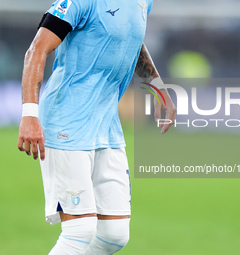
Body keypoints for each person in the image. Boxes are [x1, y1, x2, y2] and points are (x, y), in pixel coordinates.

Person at [17, 0, 176, 254]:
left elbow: (129, 39)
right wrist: (29, 113)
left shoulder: (145, 2)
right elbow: (36, 50)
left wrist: (157, 86)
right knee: (79, 231)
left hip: (106, 125)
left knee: (114, 235)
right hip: (66, 120)